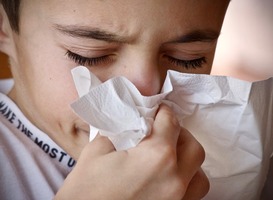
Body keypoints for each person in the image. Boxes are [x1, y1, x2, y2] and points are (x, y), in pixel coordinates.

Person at [0, 0, 230, 199]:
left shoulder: (232, 149)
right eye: (90, 56)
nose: (146, 94)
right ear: (4, 27)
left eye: (188, 59)